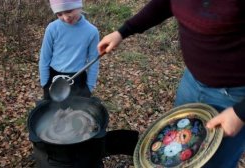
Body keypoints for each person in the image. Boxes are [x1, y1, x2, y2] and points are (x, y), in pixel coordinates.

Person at [97, 0, 245, 167]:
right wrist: (123, 32)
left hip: (233, 96)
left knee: (215, 162)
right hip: (192, 82)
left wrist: (240, 113)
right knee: (179, 150)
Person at [39, 0, 100, 101]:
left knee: (76, 112)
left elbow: (94, 61)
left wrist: (89, 87)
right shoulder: (52, 29)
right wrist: (45, 84)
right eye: (59, 14)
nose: (66, 17)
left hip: (78, 79)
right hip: (54, 77)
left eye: (69, 11)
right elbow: (44, 58)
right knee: (53, 112)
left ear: (79, 6)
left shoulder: (91, 31)